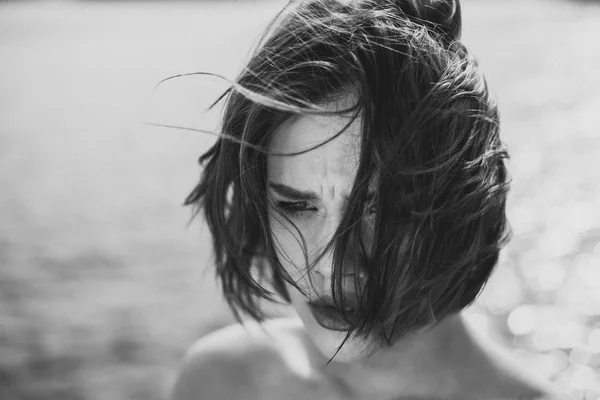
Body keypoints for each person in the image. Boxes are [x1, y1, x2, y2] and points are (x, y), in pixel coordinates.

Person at [171, 0, 570, 399]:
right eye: (296, 206)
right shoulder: (222, 382)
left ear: (463, 209)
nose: (328, 267)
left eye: (380, 210)